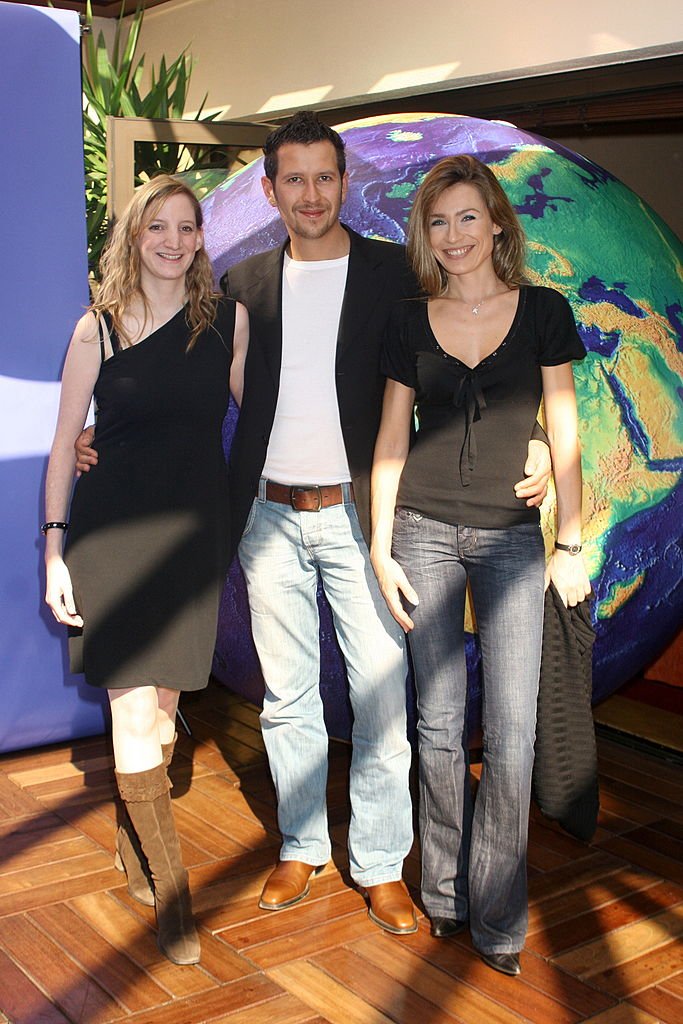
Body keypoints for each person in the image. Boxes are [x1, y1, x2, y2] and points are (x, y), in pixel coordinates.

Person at [77, 114, 551, 935]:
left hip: (362, 515)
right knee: (287, 698)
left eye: (322, 177)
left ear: (342, 181)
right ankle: (300, 848)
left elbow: (459, 355)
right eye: (290, 178)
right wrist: (99, 433)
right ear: (268, 191)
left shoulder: (392, 275)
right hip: (265, 515)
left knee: (381, 696)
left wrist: (536, 437)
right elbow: (169, 380)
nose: (308, 193)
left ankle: (378, 863)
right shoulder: (242, 285)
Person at [371, 155, 590, 974]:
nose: (454, 235)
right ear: (424, 236)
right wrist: (377, 542)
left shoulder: (541, 311)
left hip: (507, 541)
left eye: (468, 217)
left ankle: (498, 918)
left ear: (497, 223)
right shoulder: (404, 319)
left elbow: (563, 432)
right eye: (438, 221)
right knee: (434, 728)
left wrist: (569, 541)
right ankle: (443, 896)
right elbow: (391, 437)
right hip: (420, 534)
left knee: (512, 735)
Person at [44, 174, 248, 965]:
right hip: (113, 541)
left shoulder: (228, 324)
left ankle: (133, 851)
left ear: (201, 239)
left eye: (185, 227)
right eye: (155, 226)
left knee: (162, 715)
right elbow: (66, 444)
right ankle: (174, 897)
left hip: (192, 541)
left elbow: (263, 413)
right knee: (134, 714)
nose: (171, 240)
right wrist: (55, 550)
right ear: (134, 237)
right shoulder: (95, 329)